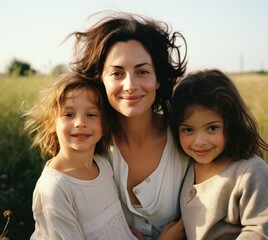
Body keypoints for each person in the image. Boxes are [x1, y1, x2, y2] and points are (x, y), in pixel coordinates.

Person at [69, 11, 189, 239]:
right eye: (117, 73)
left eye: (142, 72)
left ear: (158, 79)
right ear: (100, 79)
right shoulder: (89, 146)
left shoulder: (188, 140)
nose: (130, 85)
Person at [170, 69, 268, 239]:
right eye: (188, 130)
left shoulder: (250, 171)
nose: (199, 141)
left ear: (231, 124)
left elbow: (260, 232)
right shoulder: (188, 164)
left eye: (212, 128)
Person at [23, 72, 138, 239]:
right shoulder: (56, 187)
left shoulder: (103, 164)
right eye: (69, 115)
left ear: (104, 125)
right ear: (50, 123)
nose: (80, 123)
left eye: (91, 115)